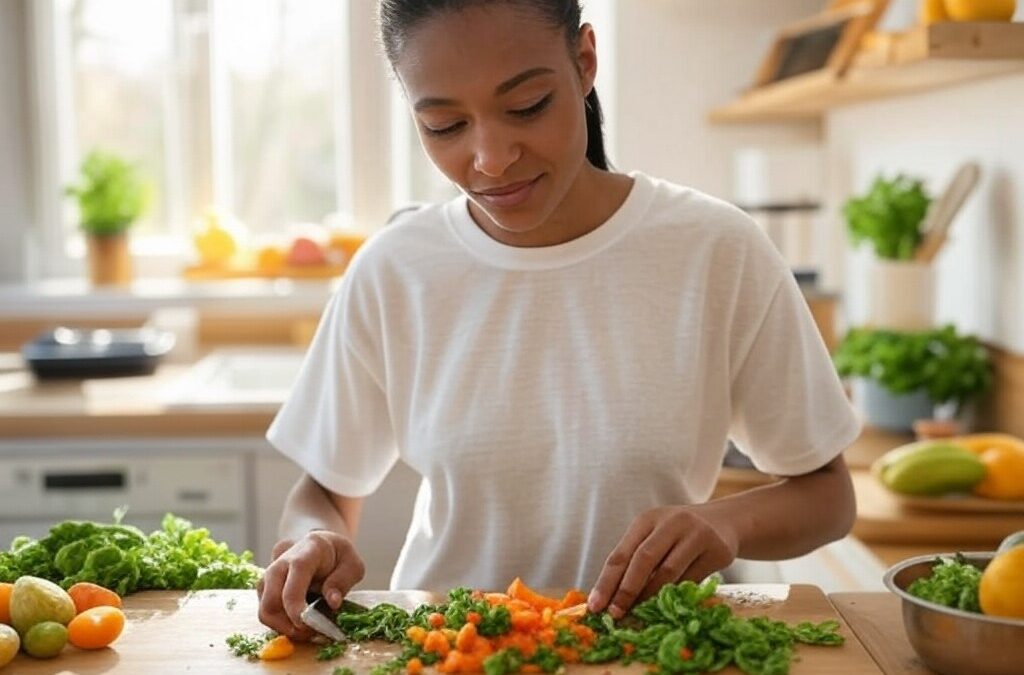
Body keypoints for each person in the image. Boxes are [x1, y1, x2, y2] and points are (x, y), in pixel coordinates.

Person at [257, 0, 860, 640]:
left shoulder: (716, 249)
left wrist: (726, 523)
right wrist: (312, 541)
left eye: (527, 107)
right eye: (443, 125)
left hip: (646, 650)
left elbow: (827, 495)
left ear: (584, 62)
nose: (489, 157)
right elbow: (321, 492)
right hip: (446, 650)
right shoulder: (396, 269)